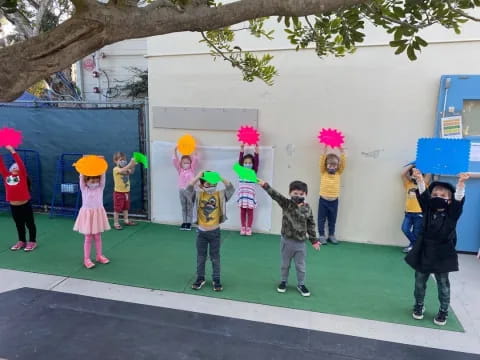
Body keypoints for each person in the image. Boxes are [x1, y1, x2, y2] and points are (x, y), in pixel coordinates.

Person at [405, 169, 469, 326]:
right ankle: (419, 305)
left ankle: (443, 310)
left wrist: (460, 184)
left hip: (443, 252)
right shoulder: (427, 209)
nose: (437, 198)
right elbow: (423, 195)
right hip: (424, 250)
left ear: (449, 199)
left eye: (443, 196)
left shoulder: (452, 213)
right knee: (419, 281)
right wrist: (420, 179)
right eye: (435, 195)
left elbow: (458, 200)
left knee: (442, 283)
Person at [258, 179, 320, 297]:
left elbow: (311, 224)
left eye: (301, 194)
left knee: (300, 266)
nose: (298, 196)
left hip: (300, 244)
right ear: (290, 193)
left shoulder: (307, 208)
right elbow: (275, 195)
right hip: (286, 241)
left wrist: (314, 240)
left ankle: (301, 284)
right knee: (285, 264)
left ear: (305, 194)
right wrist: (265, 185)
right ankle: (283, 281)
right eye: (295, 193)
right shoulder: (286, 204)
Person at [186, 171, 235, 292]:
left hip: (215, 233)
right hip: (201, 233)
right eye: (208, 184)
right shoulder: (197, 195)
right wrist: (199, 176)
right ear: (201, 185)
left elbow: (231, 188)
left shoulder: (220, 195)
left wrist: (219, 177)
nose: (211, 186)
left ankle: (216, 279)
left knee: (215, 257)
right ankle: (200, 278)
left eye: (213, 183)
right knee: (201, 257)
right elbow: (188, 188)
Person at [0, 145, 37, 251]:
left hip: (25, 205)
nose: (15, 168)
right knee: (19, 224)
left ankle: (32, 242)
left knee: (30, 224)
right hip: (14, 206)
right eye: (13, 167)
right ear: (10, 169)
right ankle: (21, 241)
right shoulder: (7, 176)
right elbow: (1, 165)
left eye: (17, 167)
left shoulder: (22, 176)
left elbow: (20, 164)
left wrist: (12, 151)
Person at [74, 168, 111, 269]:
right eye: (92, 181)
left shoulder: (100, 188)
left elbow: (103, 178)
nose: (95, 183)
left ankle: (99, 255)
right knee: (88, 237)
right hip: (87, 214)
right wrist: (82, 169)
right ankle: (86, 259)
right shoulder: (84, 188)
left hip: (97, 214)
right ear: (86, 181)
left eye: (96, 181)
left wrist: (102, 169)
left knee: (98, 236)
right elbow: (81, 178)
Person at [318, 145, 346, 245]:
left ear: (337, 166)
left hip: (334, 200)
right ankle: (321, 235)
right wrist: (324, 151)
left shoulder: (338, 173)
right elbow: (321, 162)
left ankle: (331, 235)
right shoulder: (323, 172)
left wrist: (342, 151)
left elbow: (343, 164)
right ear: (326, 165)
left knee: (332, 219)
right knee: (321, 218)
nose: (332, 167)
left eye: (334, 165)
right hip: (323, 200)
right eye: (330, 165)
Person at [401, 164, 431, 253]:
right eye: (413, 173)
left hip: (419, 213)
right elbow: (402, 174)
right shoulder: (408, 184)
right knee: (405, 229)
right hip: (408, 213)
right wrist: (412, 166)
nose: (415, 175)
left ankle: (413, 247)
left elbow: (429, 174)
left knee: (416, 232)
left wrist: (424, 163)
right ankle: (416, 245)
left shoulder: (424, 184)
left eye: (417, 173)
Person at [172, 147, 198, 231]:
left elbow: (195, 159)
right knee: (184, 206)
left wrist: (194, 150)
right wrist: (175, 151)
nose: (186, 164)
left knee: (190, 206)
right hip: (182, 190)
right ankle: (184, 222)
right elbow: (175, 161)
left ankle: (189, 223)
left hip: (190, 191)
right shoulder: (180, 170)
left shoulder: (192, 170)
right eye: (184, 163)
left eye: (188, 162)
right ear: (181, 163)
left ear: (190, 163)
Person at [237, 144, 259, 236]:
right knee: (242, 212)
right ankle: (243, 227)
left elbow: (257, 161)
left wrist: (256, 151)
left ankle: (249, 228)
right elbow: (240, 161)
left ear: (252, 164)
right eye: (245, 163)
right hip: (242, 196)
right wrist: (242, 149)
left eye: (250, 163)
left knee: (250, 212)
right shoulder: (241, 171)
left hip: (250, 196)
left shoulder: (253, 172)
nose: (247, 164)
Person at [112, 152, 137, 230]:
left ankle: (126, 220)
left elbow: (131, 171)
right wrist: (130, 163)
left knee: (126, 207)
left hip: (126, 192)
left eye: (124, 160)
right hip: (118, 193)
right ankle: (116, 223)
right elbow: (122, 170)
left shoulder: (126, 168)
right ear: (115, 161)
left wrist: (133, 165)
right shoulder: (116, 169)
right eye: (121, 160)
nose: (123, 161)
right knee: (117, 209)